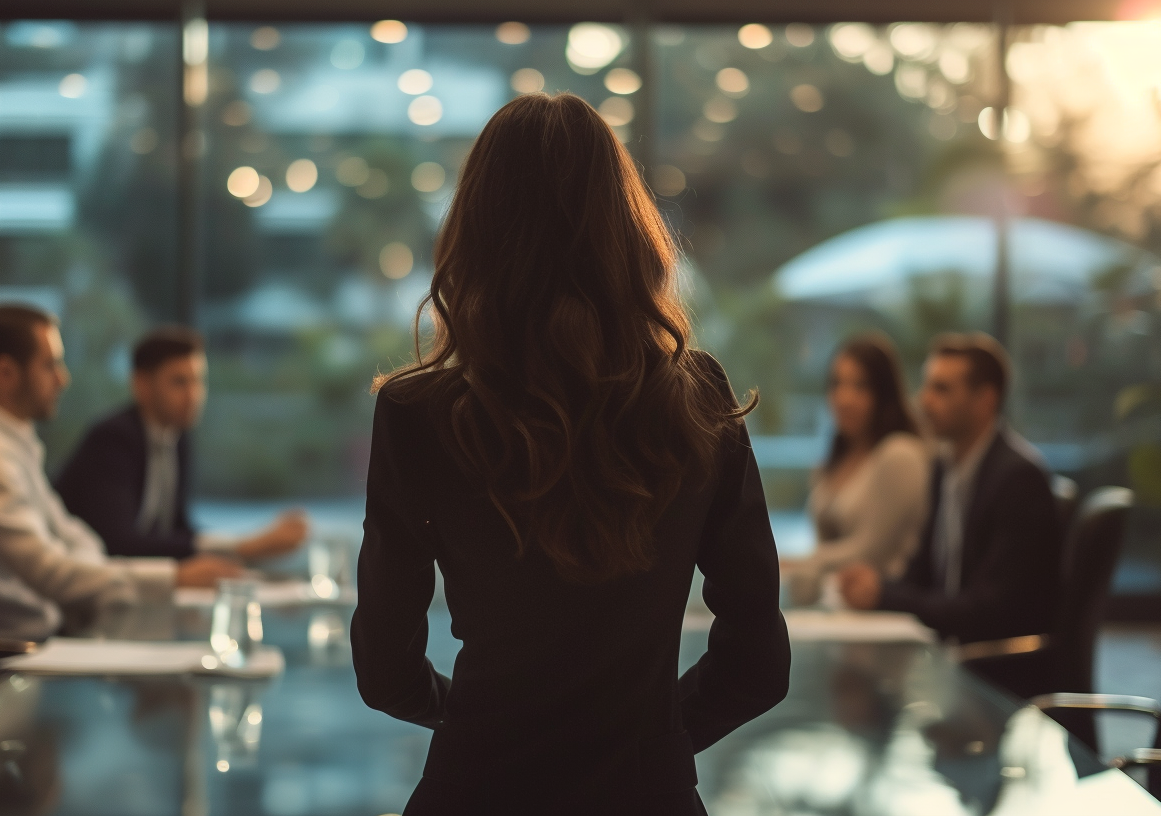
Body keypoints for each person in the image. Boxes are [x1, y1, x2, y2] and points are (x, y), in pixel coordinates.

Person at [350, 93, 790, 815]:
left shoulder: (418, 413)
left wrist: (481, 729)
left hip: (477, 790)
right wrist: (655, 740)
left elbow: (384, 672)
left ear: (476, 226)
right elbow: (759, 666)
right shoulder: (695, 396)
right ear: (625, 229)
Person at [0, 304, 243, 701]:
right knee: (130, 709)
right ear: (5, 374)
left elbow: (71, 535)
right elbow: (51, 573)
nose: (63, 379)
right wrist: (173, 578)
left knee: (147, 693)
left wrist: (108, 573)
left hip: (16, 644)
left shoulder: (7, 439)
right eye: (50, 365)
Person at [837, 332, 1062, 696]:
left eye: (941, 390)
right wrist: (878, 586)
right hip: (950, 668)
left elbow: (988, 609)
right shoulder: (946, 468)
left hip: (996, 678)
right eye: (927, 386)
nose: (924, 400)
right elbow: (924, 574)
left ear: (985, 401)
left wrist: (886, 597)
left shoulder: (1018, 479)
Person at [55, 326, 308, 562]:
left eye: (198, 381)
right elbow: (119, 544)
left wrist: (237, 550)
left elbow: (178, 530)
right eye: (179, 382)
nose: (194, 395)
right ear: (141, 385)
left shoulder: (176, 437)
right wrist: (244, 547)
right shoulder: (113, 439)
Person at [783, 334, 930, 606]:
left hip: (887, 610)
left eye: (860, 386)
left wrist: (795, 562)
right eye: (837, 384)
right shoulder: (835, 457)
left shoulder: (900, 453)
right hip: (840, 609)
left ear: (883, 393)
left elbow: (870, 551)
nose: (844, 398)